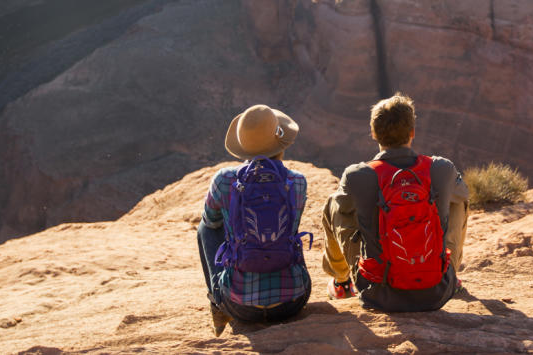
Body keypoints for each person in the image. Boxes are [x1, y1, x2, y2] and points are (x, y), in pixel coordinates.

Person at [320, 92, 470, 312]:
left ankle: (341, 283)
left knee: (334, 203)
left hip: (378, 293)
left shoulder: (357, 175)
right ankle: (449, 272)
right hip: (437, 291)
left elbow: (343, 209)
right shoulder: (441, 168)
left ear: (373, 133)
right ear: (412, 132)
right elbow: (463, 195)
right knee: (458, 199)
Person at [197, 104, 311, 335]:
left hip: (239, 305)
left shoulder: (224, 180)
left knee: (206, 227)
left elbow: (211, 223)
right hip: (293, 301)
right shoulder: (297, 181)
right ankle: (285, 282)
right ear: (281, 143)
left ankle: (217, 305)